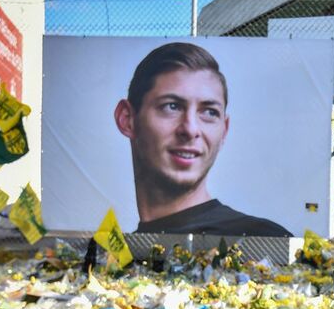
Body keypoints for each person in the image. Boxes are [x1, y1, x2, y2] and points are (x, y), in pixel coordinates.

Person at [115, 42, 291, 236]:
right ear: (127, 119)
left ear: (224, 131)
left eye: (209, 112)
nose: (190, 130)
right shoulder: (113, 251)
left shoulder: (265, 240)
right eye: (171, 106)